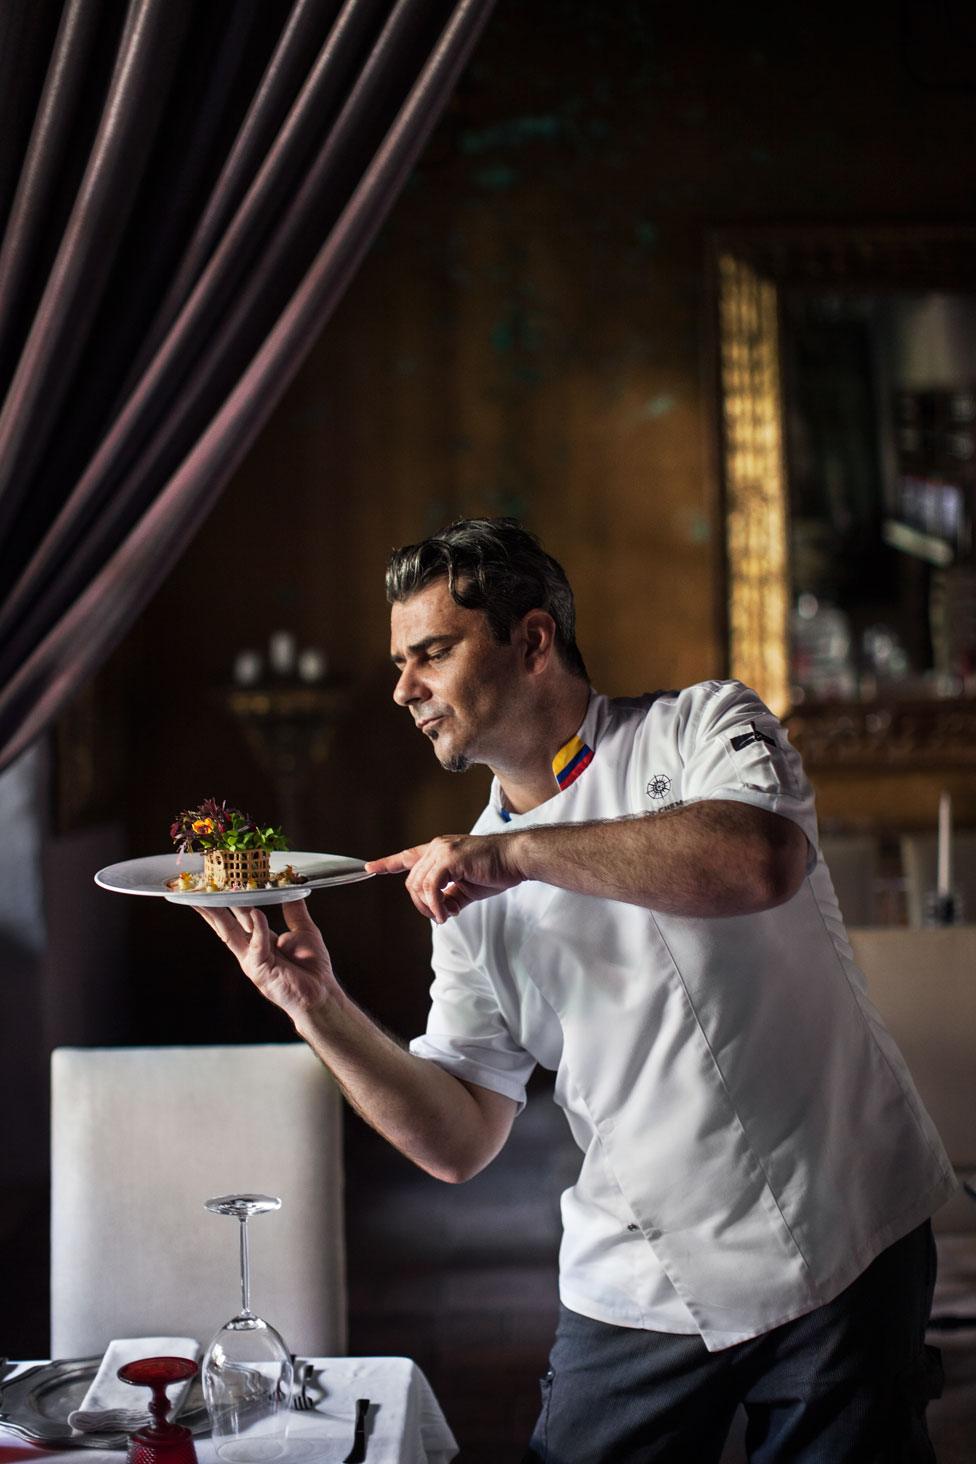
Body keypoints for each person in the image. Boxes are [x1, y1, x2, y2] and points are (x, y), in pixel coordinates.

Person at [196, 517, 955, 1463]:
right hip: (639, 1274)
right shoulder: (464, 886)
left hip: (841, 1232)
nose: (403, 690)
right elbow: (461, 1138)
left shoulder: (707, 725)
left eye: (430, 653)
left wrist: (513, 854)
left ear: (533, 640)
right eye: (400, 662)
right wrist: (313, 1004)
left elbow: (757, 860)